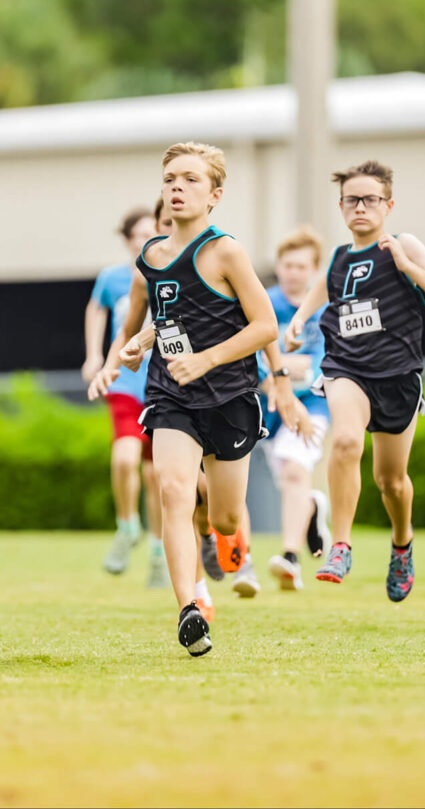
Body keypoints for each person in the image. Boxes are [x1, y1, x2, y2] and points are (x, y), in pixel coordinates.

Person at [91, 143, 309, 657]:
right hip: (171, 395)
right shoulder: (149, 259)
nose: (177, 187)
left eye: (189, 179)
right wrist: (126, 350)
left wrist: (209, 361)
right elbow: (142, 319)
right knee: (173, 491)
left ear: (214, 195)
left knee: (225, 516)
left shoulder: (225, 252)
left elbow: (265, 325)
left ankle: (225, 538)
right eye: (170, 178)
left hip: (230, 396)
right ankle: (190, 608)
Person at [284, 160, 425, 601]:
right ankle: (340, 545)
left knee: (392, 481)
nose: (360, 207)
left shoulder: (404, 245)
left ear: (388, 205)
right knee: (345, 441)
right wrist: (300, 318)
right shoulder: (339, 258)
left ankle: (402, 544)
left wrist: (407, 265)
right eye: (351, 200)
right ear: (341, 205)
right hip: (347, 368)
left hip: (398, 375)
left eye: (369, 199)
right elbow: (324, 287)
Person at [82, 207, 167, 587]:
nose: (144, 239)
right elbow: (96, 310)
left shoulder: (170, 275)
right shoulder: (115, 278)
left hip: (163, 384)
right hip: (125, 381)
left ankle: (158, 550)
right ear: (128, 239)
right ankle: (127, 525)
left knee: (155, 475)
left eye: (152, 232)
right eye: (138, 234)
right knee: (124, 456)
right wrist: (94, 357)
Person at [262, 226, 334, 591]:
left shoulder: (323, 310)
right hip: (270, 409)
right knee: (289, 480)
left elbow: (324, 362)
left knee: (293, 470)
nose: (293, 272)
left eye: (301, 266)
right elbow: (255, 355)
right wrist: (282, 370)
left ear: (314, 270)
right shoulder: (263, 304)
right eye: (287, 265)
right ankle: (313, 507)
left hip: (313, 406)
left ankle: (290, 557)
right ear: (278, 266)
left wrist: (286, 369)